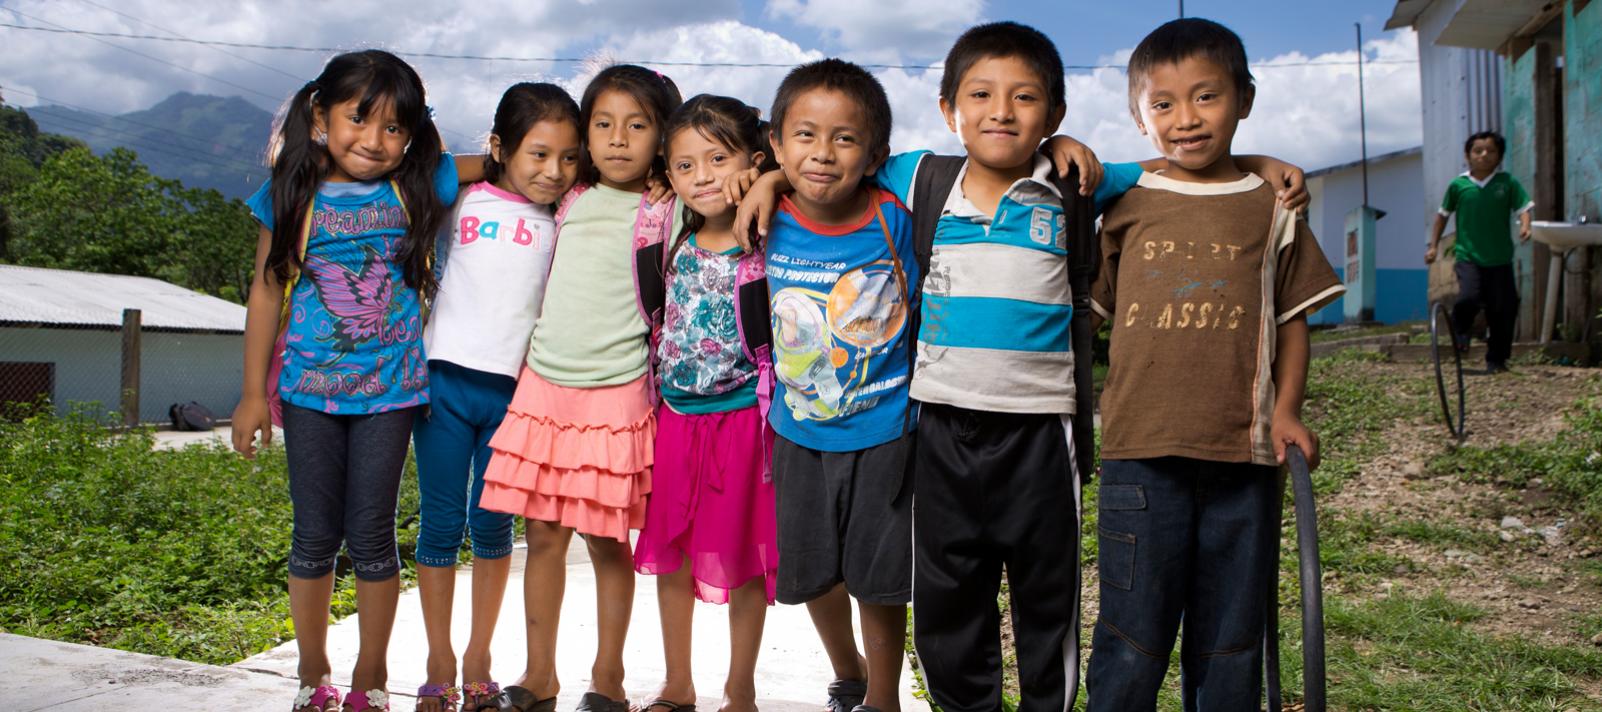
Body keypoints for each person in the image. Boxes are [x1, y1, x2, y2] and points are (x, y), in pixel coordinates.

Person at [1084, 18, 1345, 711]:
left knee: (1230, 644)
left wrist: (1286, 409)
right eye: (1162, 104)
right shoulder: (1122, 205)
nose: (1186, 119)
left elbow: (1292, 319)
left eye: (1206, 97)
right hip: (1139, 459)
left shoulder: (1273, 206)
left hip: (1244, 457)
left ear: (1244, 99)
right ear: (1139, 120)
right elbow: (1086, 318)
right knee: (1130, 638)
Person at [230, 49, 467, 712]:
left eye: (395, 127)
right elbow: (266, 292)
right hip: (307, 394)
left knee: (372, 534)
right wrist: (253, 393)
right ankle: (312, 670)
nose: (373, 140)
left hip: (391, 395)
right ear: (319, 117)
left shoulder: (416, 186)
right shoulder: (290, 192)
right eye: (358, 119)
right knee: (313, 535)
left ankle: (370, 673)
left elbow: (507, 165)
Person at [473, 65, 682, 712]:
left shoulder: (669, 208)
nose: (618, 139)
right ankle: (539, 677)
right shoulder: (566, 196)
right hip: (543, 388)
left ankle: (609, 680)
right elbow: (489, 166)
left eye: (638, 126)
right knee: (540, 537)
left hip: (615, 393)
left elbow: (741, 156)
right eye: (603, 124)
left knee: (605, 539)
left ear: (663, 136)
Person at [743, 58, 919, 712]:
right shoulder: (766, 214)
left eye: (844, 138)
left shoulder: (895, 217)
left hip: (886, 432)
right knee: (810, 570)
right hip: (799, 430)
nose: (822, 153)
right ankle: (846, 671)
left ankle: (882, 696)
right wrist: (760, 180)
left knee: (879, 579)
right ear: (777, 144)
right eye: (805, 136)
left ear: (874, 154)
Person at [410, 82, 583, 712]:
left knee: (491, 528)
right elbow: (417, 170)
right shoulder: (465, 197)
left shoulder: (567, 214)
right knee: (440, 522)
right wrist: (489, 161)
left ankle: (479, 655)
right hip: (444, 385)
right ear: (501, 148)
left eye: (568, 158)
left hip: (517, 396)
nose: (553, 171)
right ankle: (437, 657)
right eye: (537, 155)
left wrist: (533, 162)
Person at [632, 93, 780, 712]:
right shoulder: (667, 234)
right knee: (671, 555)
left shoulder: (770, 232)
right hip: (677, 417)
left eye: (717, 160)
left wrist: (770, 177)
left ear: (750, 158)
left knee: (742, 557)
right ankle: (677, 681)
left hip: (745, 418)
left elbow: (824, 166)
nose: (701, 178)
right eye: (685, 166)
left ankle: (739, 687)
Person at [1425, 130, 1534, 373]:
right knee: (1468, 298)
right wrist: (1433, 246)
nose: (1484, 155)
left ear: (1499, 156)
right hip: (1468, 256)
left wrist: (1525, 226)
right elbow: (1442, 216)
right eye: (1478, 151)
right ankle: (1461, 331)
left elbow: (1523, 208)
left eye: (1491, 151)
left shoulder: (1507, 183)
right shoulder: (1459, 185)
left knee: (1502, 309)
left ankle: (1496, 359)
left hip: (1500, 259)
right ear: (1467, 155)